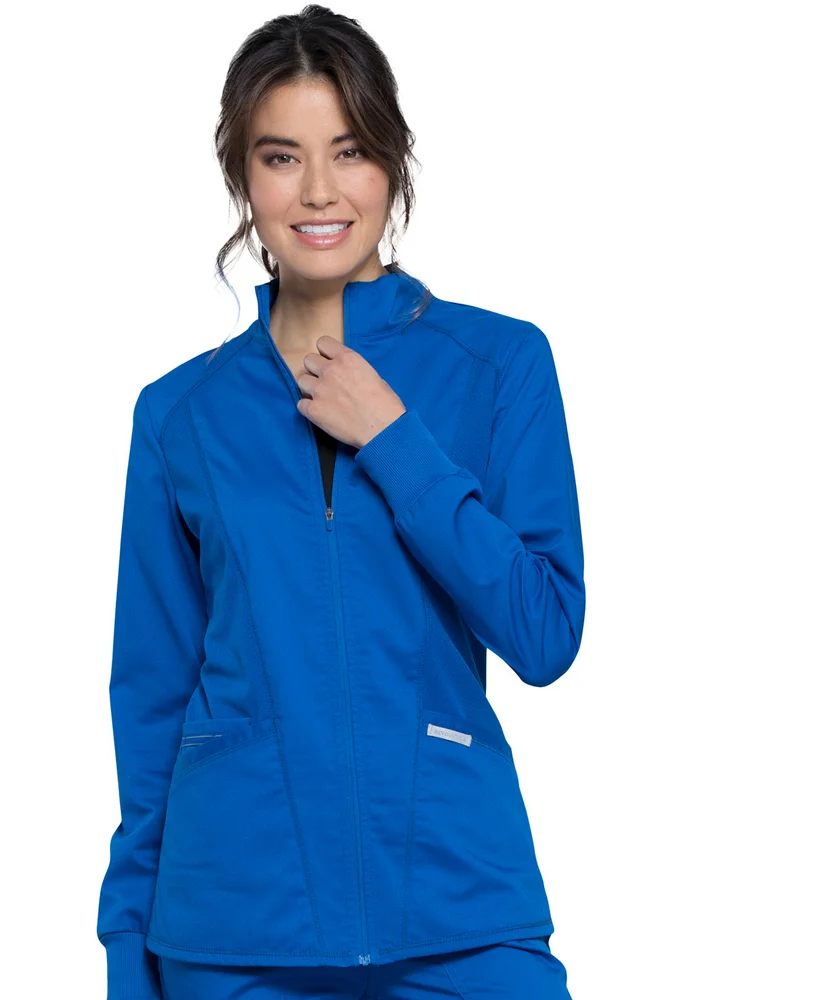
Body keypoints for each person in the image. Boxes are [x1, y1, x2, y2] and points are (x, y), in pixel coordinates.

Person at [96, 6, 585, 999]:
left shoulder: (498, 365)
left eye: (350, 150)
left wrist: (396, 442)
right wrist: (126, 946)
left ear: (393, 163)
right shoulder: (179, 415)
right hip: (232, 922)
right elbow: (151, 700)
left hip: (456, 899)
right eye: (281, 157)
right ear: (242, 177)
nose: (318, 191)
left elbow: (545, 631)